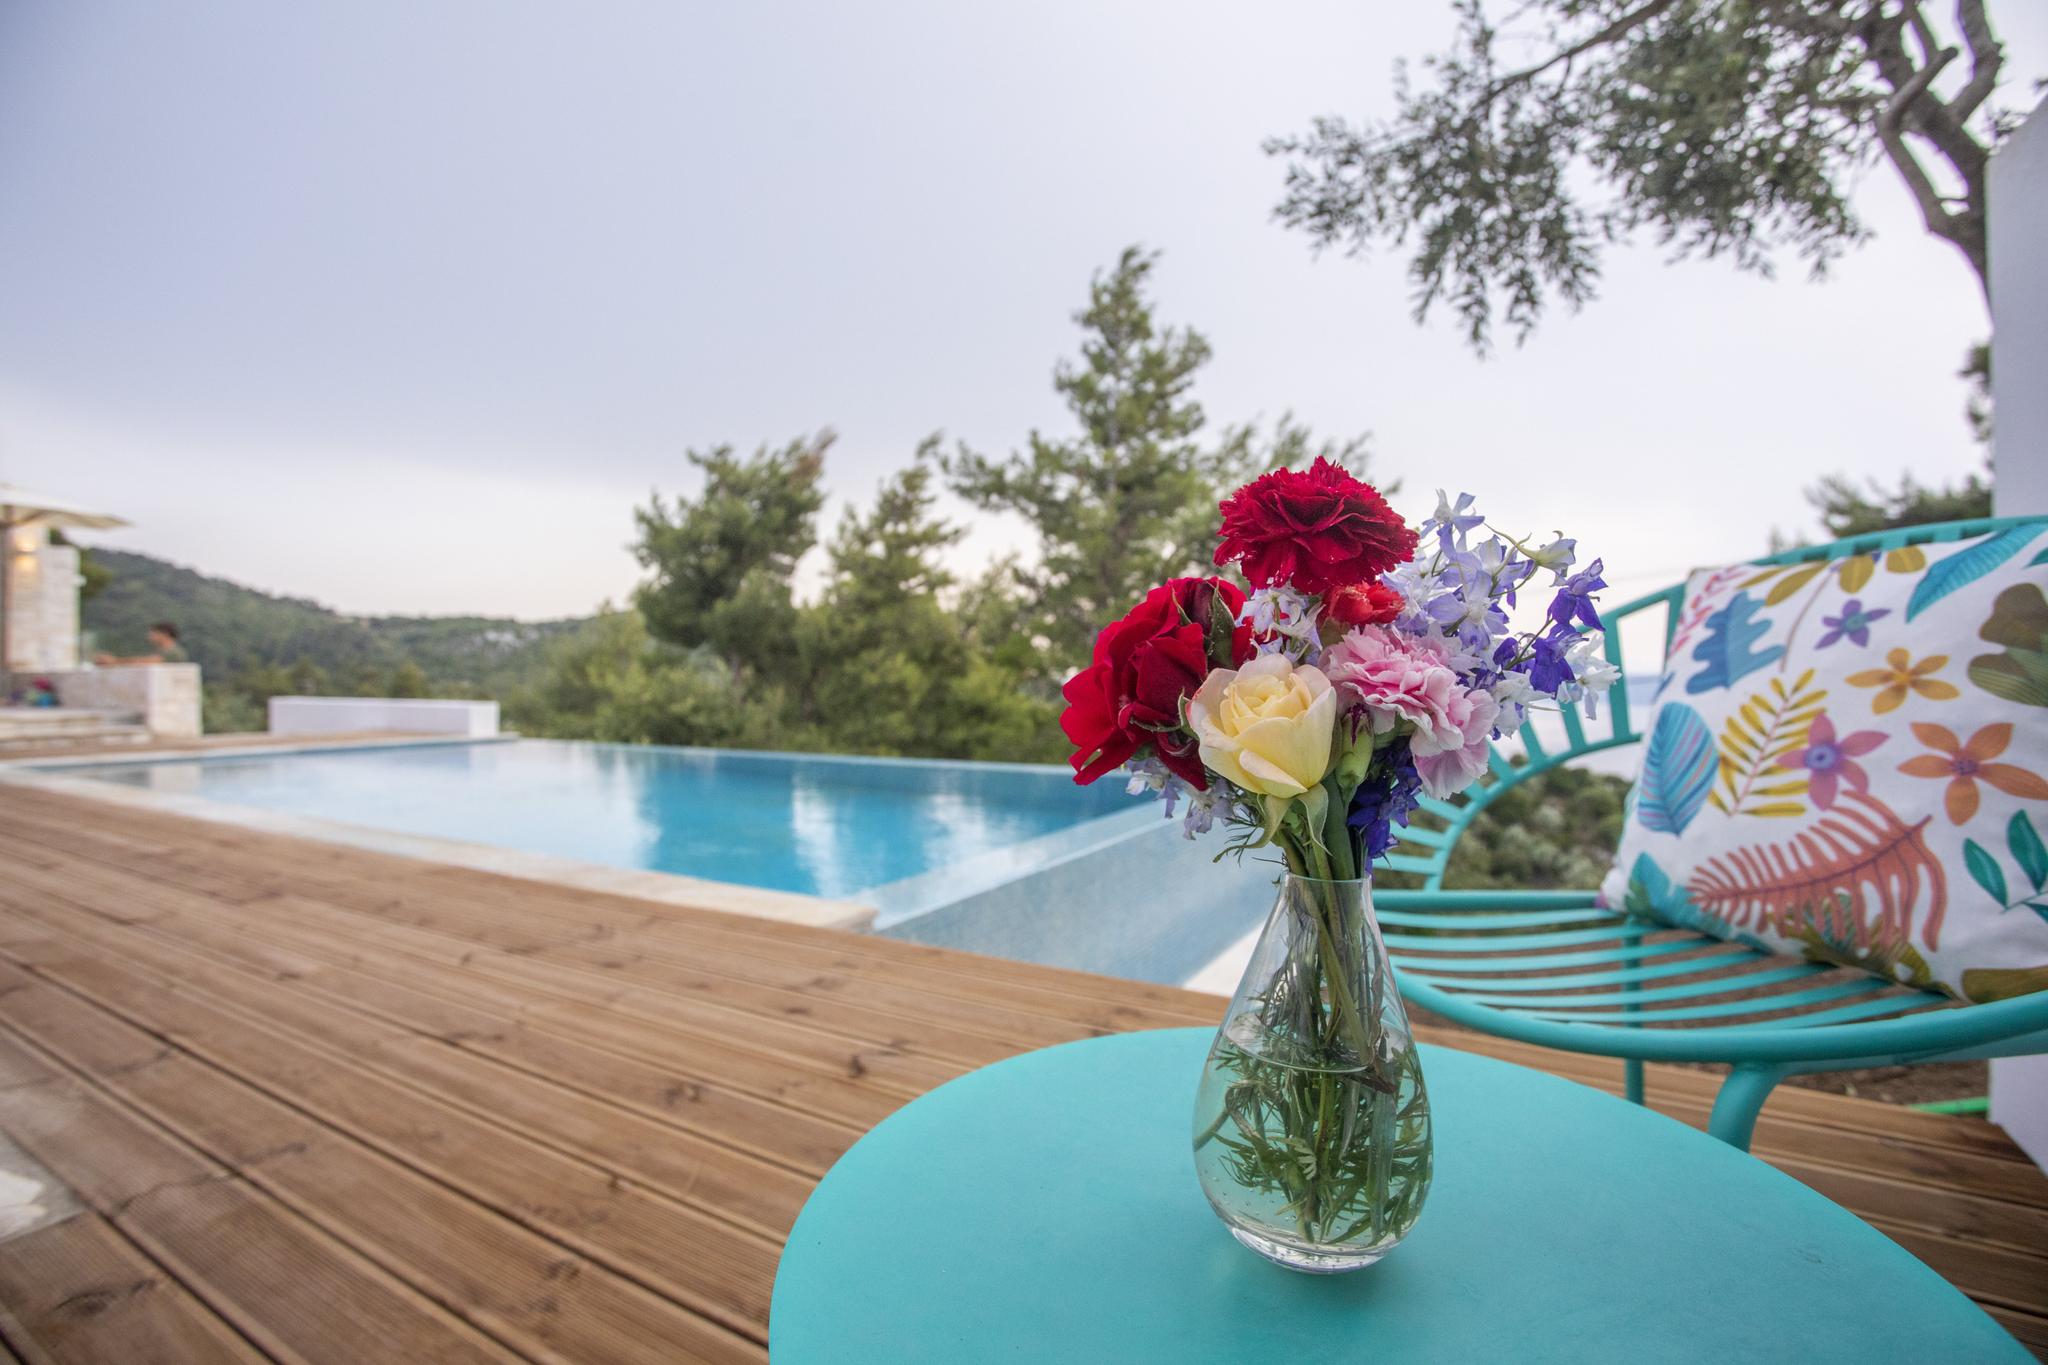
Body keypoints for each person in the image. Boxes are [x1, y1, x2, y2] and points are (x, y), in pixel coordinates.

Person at [94, 621, 188, 666]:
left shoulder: (174, 652)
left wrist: (114, 661)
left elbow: (147, 662)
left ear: (165, 634)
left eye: (154, 633)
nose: (149, 636)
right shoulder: (162, 652)